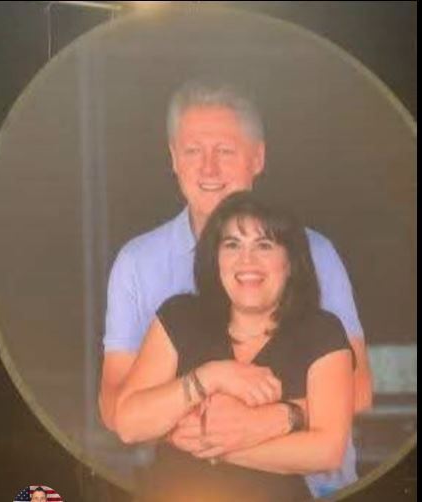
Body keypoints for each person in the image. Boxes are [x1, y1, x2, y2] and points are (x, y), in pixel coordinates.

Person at [99, 80, 372, 497]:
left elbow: (359, 390)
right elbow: (117, 411)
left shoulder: (317, 253)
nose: (208, 169)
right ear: (173, 158)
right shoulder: (140, 266)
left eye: (225, 151)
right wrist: (207, 416)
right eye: (193, 151)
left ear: (257, 158)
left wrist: (273, 419)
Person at [112, 191, 355, 502]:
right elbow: (129, 425)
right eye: (232, 245)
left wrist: (214, 444)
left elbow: (327, 450)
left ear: (291, 262)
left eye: (264, 245)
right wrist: (211, 376)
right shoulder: (179, 316)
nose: (246, 260)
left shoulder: (322, 331)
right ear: (216, 259)